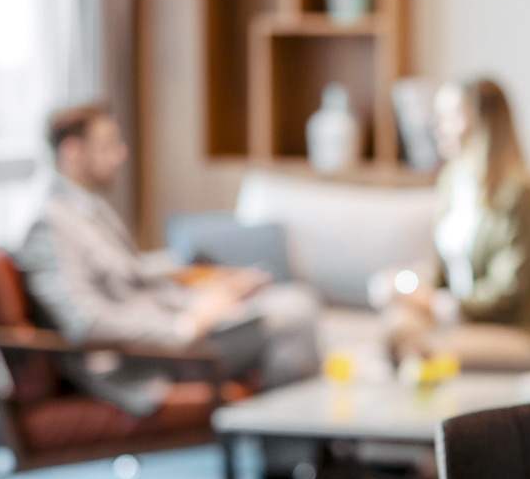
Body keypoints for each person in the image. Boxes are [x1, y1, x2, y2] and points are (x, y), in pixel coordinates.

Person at [20, 102, 319, 416]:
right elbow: (85, 322)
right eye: (108, 146)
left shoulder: (88, 209)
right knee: (296, 315)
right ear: (73, 151)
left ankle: (287, 449)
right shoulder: (50, 224)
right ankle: (291, 457)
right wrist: (185, 325)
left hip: (172, 333)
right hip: (145, 357)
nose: (120, 154)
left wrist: (215, 287)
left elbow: (132, 274)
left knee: (290, 299)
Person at [373, 78, 530, 370]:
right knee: (396, 328)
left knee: (421, 349)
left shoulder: (517, 194)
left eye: (450, 116)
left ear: (482, 122)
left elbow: (511, 294)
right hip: (459, 317)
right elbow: (443, 272)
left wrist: (439, 304)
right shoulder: (452, 182)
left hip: (512, 326)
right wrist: (408, 284)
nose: (437, 125)